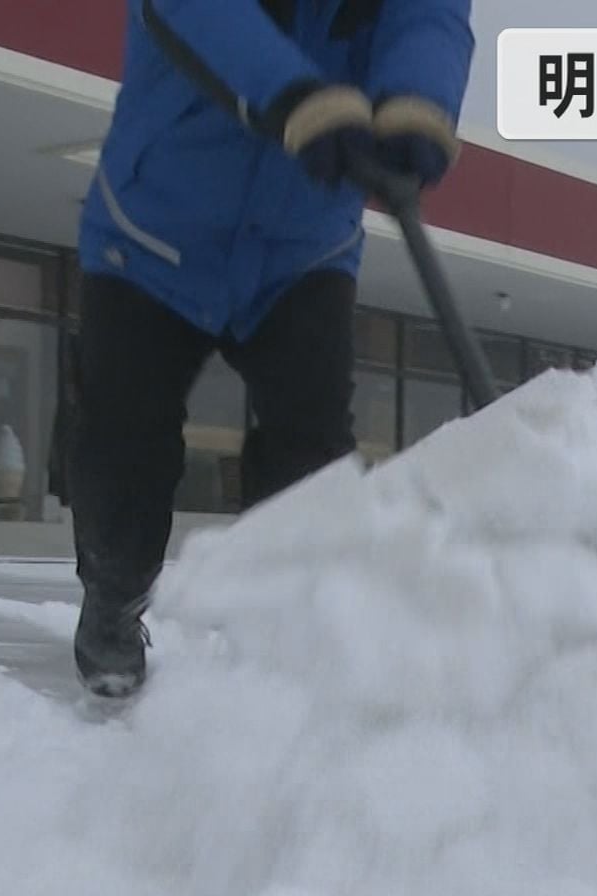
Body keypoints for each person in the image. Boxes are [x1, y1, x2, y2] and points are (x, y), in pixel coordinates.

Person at [58, 0, 475, 698]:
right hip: (153, 230)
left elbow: (427, 15)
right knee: (121, 443)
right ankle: (114, 597)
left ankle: (286, 641)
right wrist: (293, 93)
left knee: (311, 456)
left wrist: (418, 98)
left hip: (302, 243)